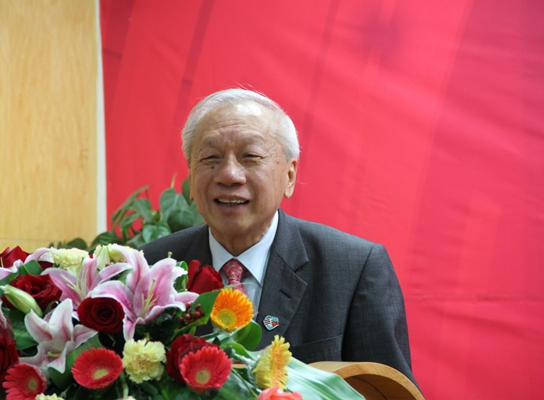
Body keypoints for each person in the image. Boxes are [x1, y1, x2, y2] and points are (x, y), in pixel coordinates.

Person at [140, 88, 417, 385]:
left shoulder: (353, 269)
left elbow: (388, 390)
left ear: (290, 176)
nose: (229, 175)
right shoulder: (153, 268)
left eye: (250, 157)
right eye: (210, 158)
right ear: (191, 176)